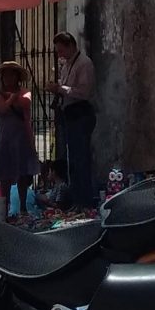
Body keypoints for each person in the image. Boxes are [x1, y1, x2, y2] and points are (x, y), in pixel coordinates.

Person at [52, 31, 97, 211]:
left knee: (81, 158)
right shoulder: (66, 65)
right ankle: (77, 199)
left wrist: (61, 89)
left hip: (80, 112)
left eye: (62, 50)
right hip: (69, 113)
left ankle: (85, 200)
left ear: (71, 46)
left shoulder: (84, 64)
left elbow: (83, 92)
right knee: (72, 159)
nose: (60, 55)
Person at [0, 59, 38, 212]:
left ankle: (23, 206)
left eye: (11, 75)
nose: (8, 78)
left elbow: (25, 103)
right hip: (5, 136)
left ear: (17, 77)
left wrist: (10, 97)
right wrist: (9, 97)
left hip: (22, 136)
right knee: (5, 175)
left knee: (23, 173)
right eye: (6, 75)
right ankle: (5, 207)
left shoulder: (25, 92)